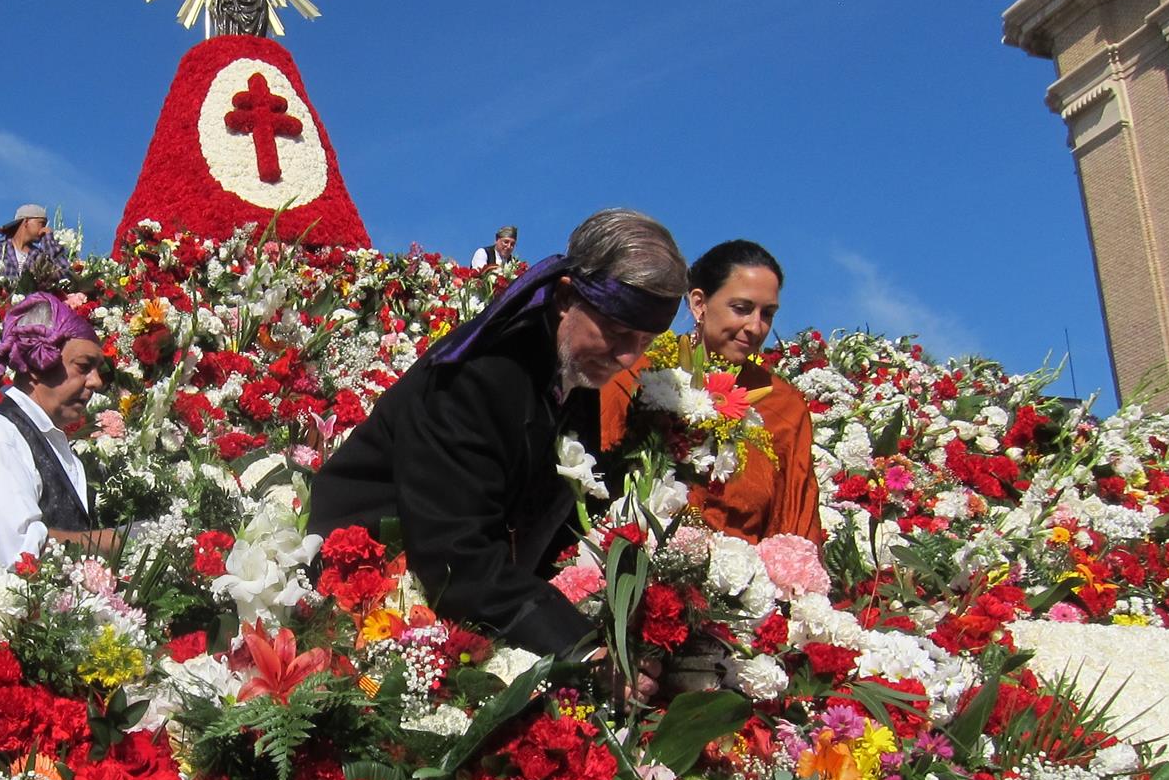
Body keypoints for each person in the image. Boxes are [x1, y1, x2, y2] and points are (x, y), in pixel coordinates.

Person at [308, 208, 689, 657]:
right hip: (365, 590)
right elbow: (455, 553)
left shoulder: (573, 369)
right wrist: (579, 647)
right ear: (567, 298)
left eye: (644, 343)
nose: (627, 357)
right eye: (617, 331)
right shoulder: (481, 375)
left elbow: (551, 524)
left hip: (467, 594)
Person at [597, 239, 822, 545]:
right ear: (699, 303)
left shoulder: (782, 404)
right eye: (742, 309)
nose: (756, 327)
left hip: (742, 583)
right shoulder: (639, 374)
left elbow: (795, 528)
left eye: (767, 313)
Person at [0, 292, 118, 564]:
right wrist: (114, 542)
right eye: (83, 366)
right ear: (38, 362)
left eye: (97, 370)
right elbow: (16, 555)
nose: (96, 382)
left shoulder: (52, 445)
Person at [0, 203, 72, 285]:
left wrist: (49, 241)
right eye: (41, 223)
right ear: (26, 222)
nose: (45, 229)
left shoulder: (40, 256)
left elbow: (66, 273)